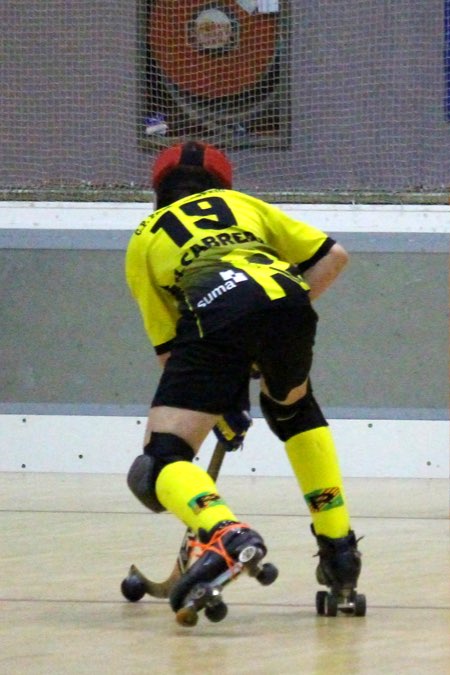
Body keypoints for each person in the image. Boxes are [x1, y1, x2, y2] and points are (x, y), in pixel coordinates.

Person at [125, 140, 361, 615]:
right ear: (222, 185)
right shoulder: (243, 205)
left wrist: (224, 404)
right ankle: (340, 554)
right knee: (293, 409)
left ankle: (224, 533)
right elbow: (333, 255)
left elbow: (174, 354)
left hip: (214, 311)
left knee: (160, 462)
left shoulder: (144, 239)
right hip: (287, 300)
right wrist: (267, 317)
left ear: (158, 192)